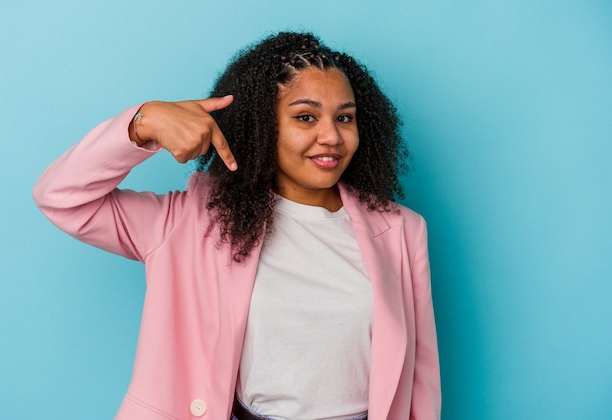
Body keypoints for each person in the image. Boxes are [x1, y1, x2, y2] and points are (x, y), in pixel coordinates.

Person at [33, 31, 441, 420]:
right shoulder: (190, 222)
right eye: (305, 117)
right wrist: (143, 123)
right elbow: (62, 198)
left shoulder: (403, 231)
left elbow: (420, 382)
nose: (331, 136)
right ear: (262, 125)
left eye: (345, 118)